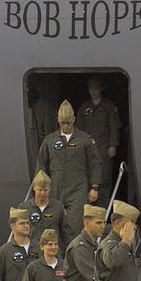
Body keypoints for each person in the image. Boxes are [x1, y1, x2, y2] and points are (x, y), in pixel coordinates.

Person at [36, 99, 102, 236]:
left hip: (78, 188)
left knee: (74, 226)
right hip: (55, 188)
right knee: (51, 226)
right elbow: (41, 166)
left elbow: (95, 163)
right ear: (57, 120)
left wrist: (94, 187)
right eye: (62, 123)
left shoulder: (84, 139)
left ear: (74, 119)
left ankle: (72, 255)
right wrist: (40, 189)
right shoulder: (49, 140)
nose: (65, 126)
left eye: (69, 123)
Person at [77, 76, 121, 207]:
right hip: (88, 147)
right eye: (91, 89)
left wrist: (113, 145)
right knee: (88, 178)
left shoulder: (108, 106)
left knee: (104, 179)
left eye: (96, 88)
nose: (93, 91)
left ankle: (103, 210)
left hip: (104, 147)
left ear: (101, 89)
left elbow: (114, 126)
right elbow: (78, 129)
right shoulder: (84, 108)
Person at [19, 170, 72, 256]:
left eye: (45, 190)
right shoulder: (24, 208)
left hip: (54, 254)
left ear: (50, 189)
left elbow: (66, 232)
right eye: (39, 190)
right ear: (34, 188)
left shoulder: (58, 207)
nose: (42, 193)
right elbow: (19, 234)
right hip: (32, 255)